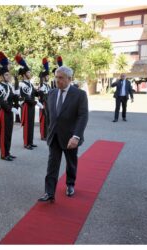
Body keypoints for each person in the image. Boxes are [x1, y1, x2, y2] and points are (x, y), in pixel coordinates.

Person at [38, 66, 88, 202]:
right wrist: (48, 131)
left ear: (69, 79)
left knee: (71, 163)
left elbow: (83, 116)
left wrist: (76, 136)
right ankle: (49, 192)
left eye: (61, 78)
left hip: (70, 137)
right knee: (52, 164)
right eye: (56, 77)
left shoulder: (79, 95)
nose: (57, 80)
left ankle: (70, 184)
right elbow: (49, 114)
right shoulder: (52, 93)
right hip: (54, 136)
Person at [0, 51, 19, 161]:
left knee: (9, 133)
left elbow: (12, 97)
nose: (8, 76)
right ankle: (4, 154)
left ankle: (8, 152)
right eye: (6, 75)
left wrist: (18, 99)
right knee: (4, 134)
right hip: (4, 112)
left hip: (9, 112)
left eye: (9, 74)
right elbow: (0, 101)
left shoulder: (9, 85)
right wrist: (10, 108)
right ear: (2, 76)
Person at [15, 54, 43, 150]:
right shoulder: (22, 84)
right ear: (24, 75)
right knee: (27, 125)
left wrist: (39, 91)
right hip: (26, 106)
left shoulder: (29, 84)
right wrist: (36, 103)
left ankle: (30, 142)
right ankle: (26, 143)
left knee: (31, 124)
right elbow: (26, 97)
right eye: (28, 72)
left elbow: (34, 93)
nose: (30, 74)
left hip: (31, 106)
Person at [38, 58, 52, 141]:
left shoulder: (47, 85)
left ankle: (47, 134)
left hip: (48, 103)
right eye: (47, 76)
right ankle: (43, 135)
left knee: (48, 120)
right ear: (43, 77)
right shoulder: (42, 86)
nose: (48, 77)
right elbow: (41, 97)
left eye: (48, 76)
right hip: (43, 104)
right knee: (43, 120)